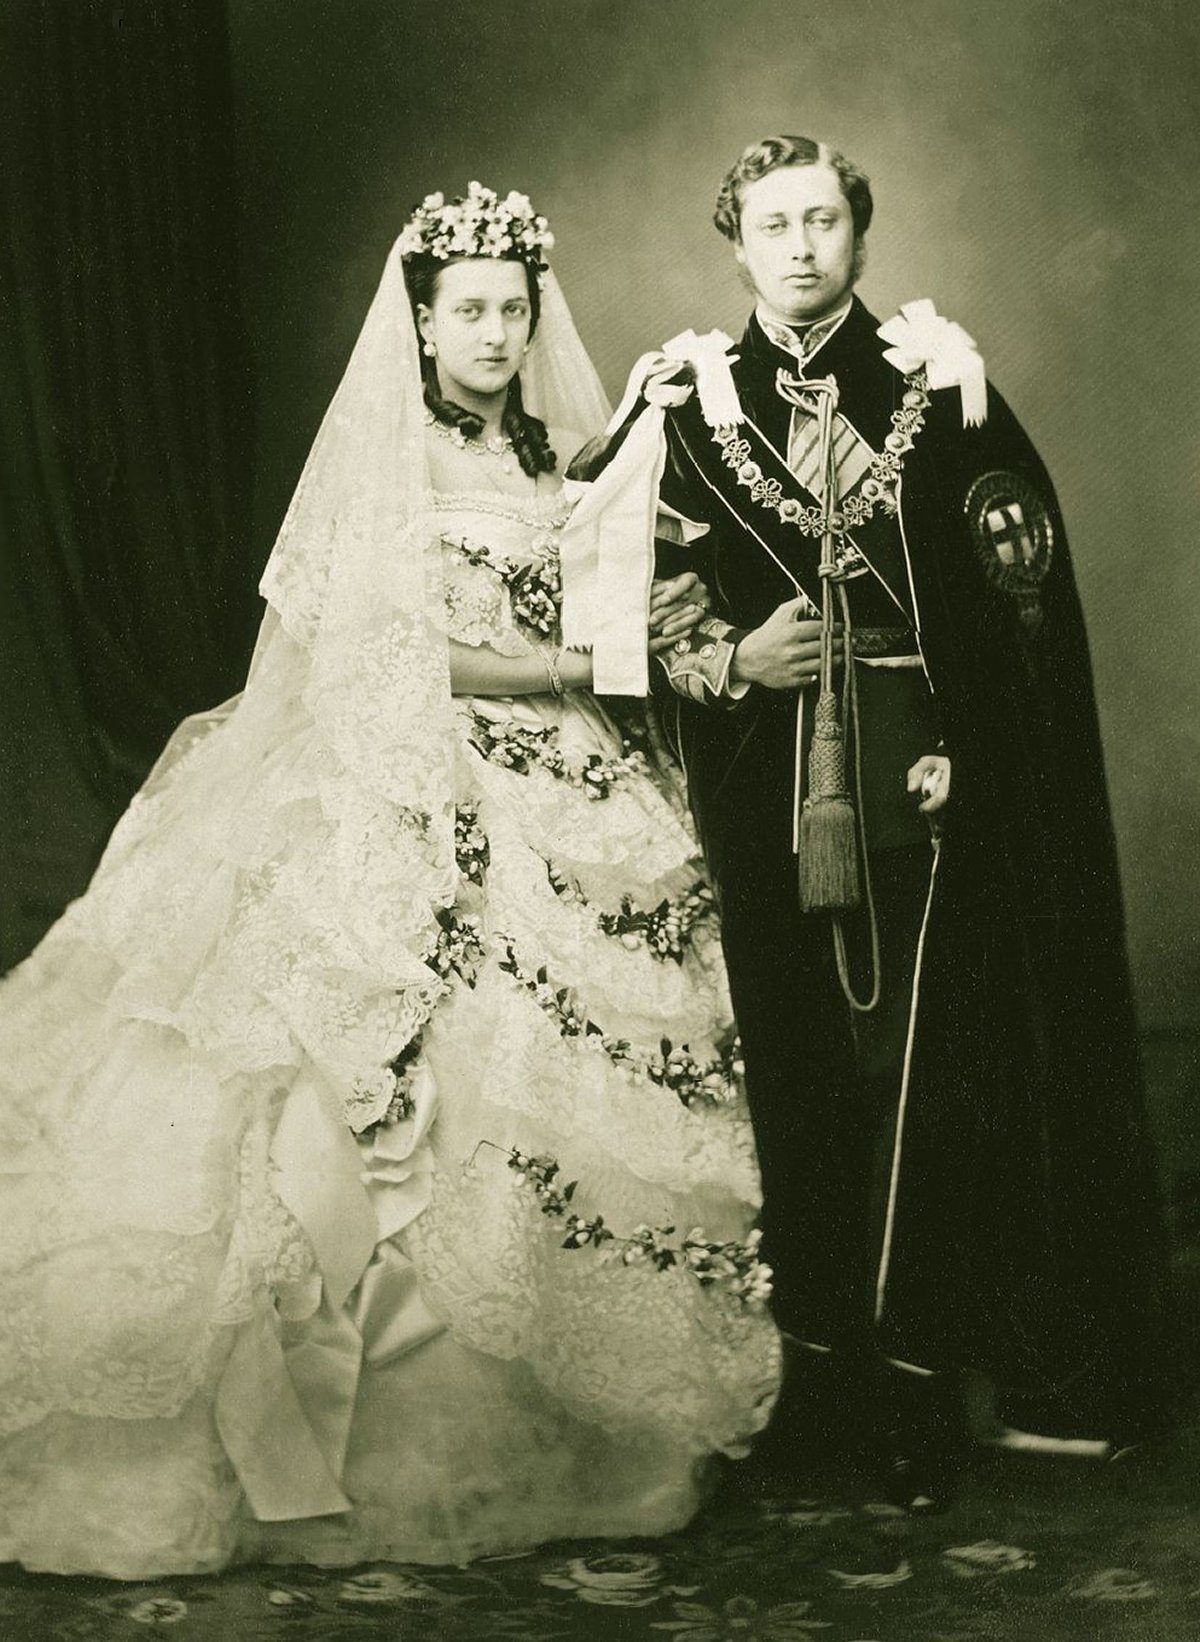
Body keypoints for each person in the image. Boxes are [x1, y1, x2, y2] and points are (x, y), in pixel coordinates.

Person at [0, 182, 780, 1578]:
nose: (493, 331)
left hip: (576, 767)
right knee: (382, 1066)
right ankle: (345, 1435)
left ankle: (569, 1406)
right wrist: (560, 668)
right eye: (466, 310)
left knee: (574, 1063)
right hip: (421, 758)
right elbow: (386, 639)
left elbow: (618, 599)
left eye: (510, 307)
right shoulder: (393, 459)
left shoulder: (563, 454)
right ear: (420, 323)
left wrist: (650, 585)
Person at [569, 135, 1175, 1506]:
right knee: (789, 1075)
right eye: (773, 224)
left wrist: (984, 753)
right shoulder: (690, 402)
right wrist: (731, 655)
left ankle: (908, 1392)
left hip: (918, 782)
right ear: (737, 244)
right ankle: (814, 1384)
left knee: (919, 1084)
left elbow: (1018, 600)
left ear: (859, 234)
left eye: (823, 220)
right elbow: (636, 592)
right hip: (758, 783)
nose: (799, 247)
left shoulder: (936, 387)